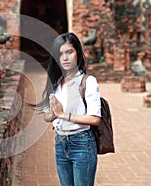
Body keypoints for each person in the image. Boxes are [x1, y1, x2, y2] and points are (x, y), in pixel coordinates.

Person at [42, 32, 101, 186]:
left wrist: (63, 114)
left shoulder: (87, 82)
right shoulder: (55, 82)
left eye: (69, 52)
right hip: (60, 143)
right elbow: (47, 116)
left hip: (82, 143)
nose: (65, 58)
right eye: (60, 54)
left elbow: (95, 119)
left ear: (78, 53)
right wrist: (52, 114)